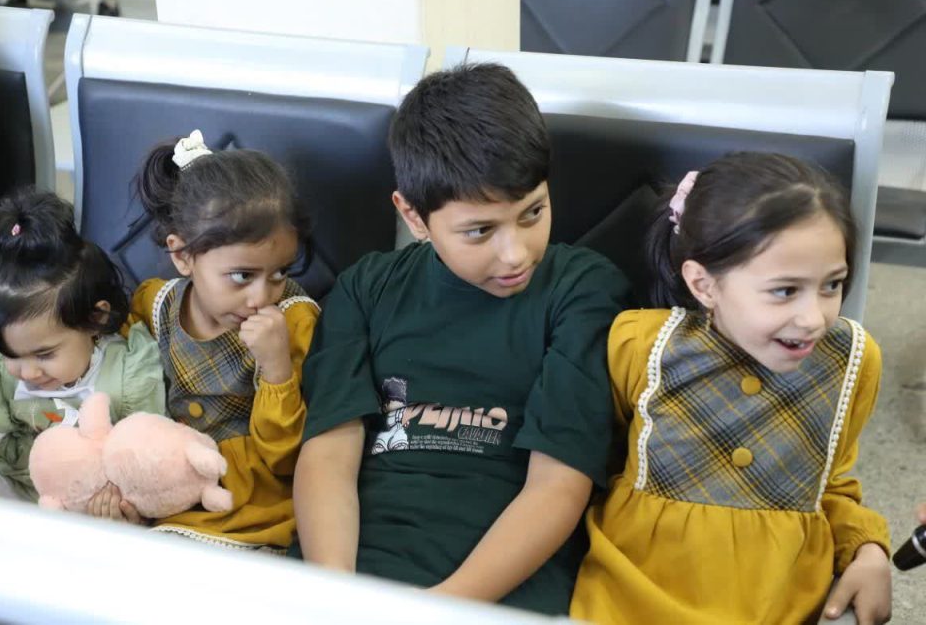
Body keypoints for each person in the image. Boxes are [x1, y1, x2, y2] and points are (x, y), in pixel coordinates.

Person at [292, 63, 631, 615]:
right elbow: (330, 451)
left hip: (498, 588)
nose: (515, 254)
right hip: (350, 571)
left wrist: (440, 608)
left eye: (533, 213)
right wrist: (337, 597)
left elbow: (558, 484)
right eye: (480, 231)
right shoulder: (366, 288)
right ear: (413, 216)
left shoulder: (582, 289)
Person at [570, 153, 892, 624]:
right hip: (628, 598)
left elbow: (831, 484)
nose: (814, 318)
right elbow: (589, 464)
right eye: (785, 290)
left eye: (832, 285)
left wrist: (868, 550)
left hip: (779, 606)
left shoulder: (852, 362)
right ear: (703, 285)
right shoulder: (638, 346)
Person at [111, 130, 320, 550]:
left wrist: (277, 369)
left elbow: (289, 459)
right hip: (162, 494)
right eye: (242, 276)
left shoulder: (294, 322)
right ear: (182, 255)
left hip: (250, 509)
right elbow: (118, 389)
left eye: (280, 272)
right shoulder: (154, 305)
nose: (262, 297)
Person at [0, 189, 165, 500]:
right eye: (11, 354)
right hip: (19, 484)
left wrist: (123, 501)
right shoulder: (4, 377)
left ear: (95, 319)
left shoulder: (127, 378)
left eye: (44, 355)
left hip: (93, 499)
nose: (28, 372)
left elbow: (147, 453)